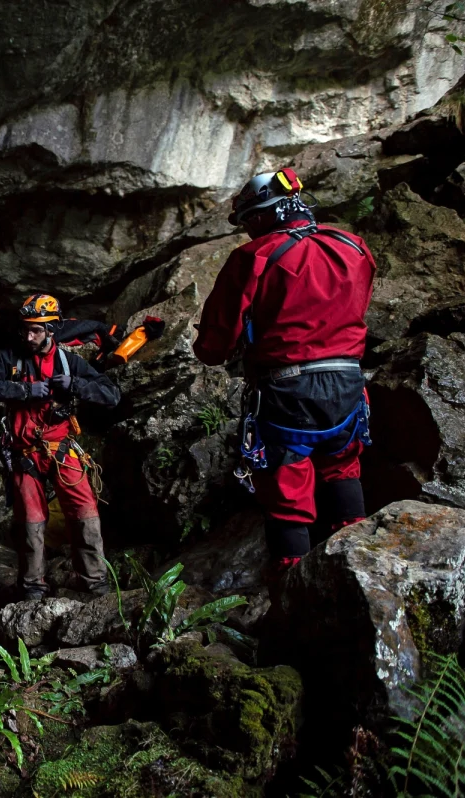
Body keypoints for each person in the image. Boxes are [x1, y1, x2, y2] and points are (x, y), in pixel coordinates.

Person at [192, 168, 377, 573]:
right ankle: (365, 569)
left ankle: (291, 588)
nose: (246, 232)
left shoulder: (255, 257)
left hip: (288, 391)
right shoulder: (353, 246)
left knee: (288, 489)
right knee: (343, 464)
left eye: (248, 222)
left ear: (262, 215)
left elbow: (213, 345)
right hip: (348, 381)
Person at [0, 294, 122, 599]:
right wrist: (24, 390)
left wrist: (76, 385)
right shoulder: (9, 357)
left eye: (36, 330)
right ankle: (32, 589)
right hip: (25, 454)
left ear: (51, 329)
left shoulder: (69, 362)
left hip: (62, 450)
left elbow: (112, 395)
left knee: (85, 513)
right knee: (31, 521)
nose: (28, 336)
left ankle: (95, 585)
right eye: (25, 329)